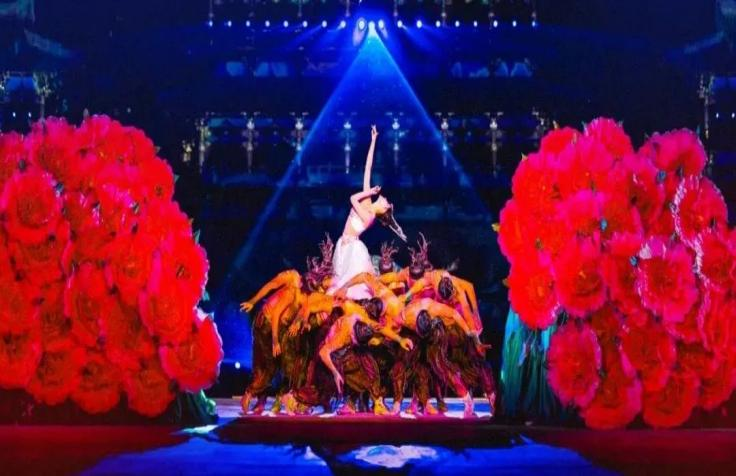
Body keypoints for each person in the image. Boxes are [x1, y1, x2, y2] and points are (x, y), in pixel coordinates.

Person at [327, 125, 406, 300]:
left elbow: (352, 198)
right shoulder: (367, 202)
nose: (386, 199)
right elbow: (368, 169)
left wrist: (369, 192)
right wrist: (373, 141)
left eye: (387, 203)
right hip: (343, 245)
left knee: (351, 290)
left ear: (384, 209)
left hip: (353, 250)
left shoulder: (369, 217)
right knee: (338, 285)